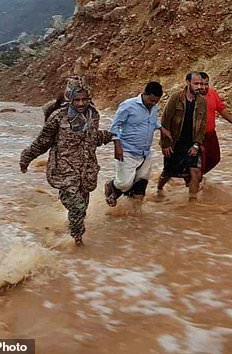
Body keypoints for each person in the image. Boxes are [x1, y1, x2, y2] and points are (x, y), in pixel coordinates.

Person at [19, 77, 113, 246]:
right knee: (77, 206)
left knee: (82, 208)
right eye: (76, 99)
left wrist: (109, 136)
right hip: (64, 171)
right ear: (69, 98)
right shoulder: (58, 117)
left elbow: (91, 138)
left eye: (85, 99)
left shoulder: (93, 115)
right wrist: (26, 158)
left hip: (86, 171)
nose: (81, 103)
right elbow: (42, 142)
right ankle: (77, 242)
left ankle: (71, 229)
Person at [104, 81, 171, 206]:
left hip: (145, 153)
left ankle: (134, 218)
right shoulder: (128, 106)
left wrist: (161, 128)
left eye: (156, 102)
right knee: (124, 183)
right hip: (127, 151)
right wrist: (117, 146)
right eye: (151, 101)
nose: (153, 104)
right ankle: (111, 185)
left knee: (141, 185)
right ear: (144, 94)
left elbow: (151, 120)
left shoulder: (154, 107)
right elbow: (114, 126)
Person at [157, 72, 207, 199]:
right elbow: (165, 121)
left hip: (191, 142)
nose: (199, 87)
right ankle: (159, 189)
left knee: (195, 172)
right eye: (196, 83)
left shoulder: (202, 102)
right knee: (168, 173)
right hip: (174, 141)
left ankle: (192, 203)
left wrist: (196, 144)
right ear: (188, 82)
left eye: (201, 84)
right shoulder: (176, 98)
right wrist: (165, 144)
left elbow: (202, 126)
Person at [198, 72, 232, 174]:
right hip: (196, 135)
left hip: (210, 134)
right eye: (201, 84)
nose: (203, 87)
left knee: (215, 159)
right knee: (200, 161)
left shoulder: (212, 93)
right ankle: (194, 179)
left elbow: (221, 109)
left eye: (206, 84)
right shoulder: (191, 97)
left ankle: (195, 177)